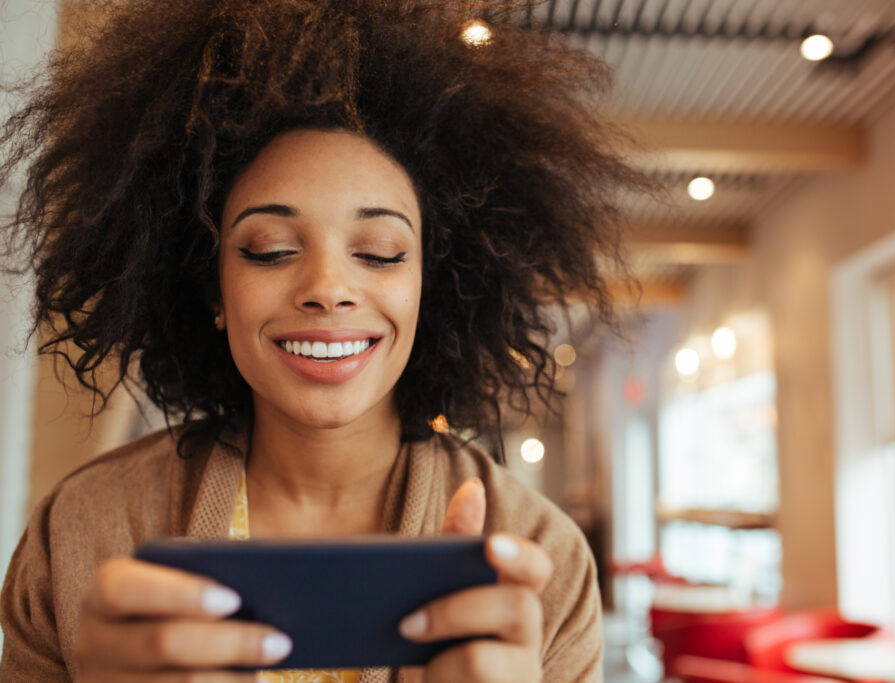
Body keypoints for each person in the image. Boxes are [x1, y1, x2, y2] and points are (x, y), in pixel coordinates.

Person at [0, 0, 644, 681]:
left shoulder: (544, 559)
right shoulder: (81, 532)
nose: (327, 286)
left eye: (381, 251)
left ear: (436, 284)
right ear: (212, 289)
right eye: (270, 249)